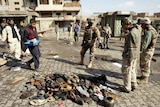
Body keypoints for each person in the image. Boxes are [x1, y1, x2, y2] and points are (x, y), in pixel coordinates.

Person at [121, 18, 141, 93]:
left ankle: (127, 87)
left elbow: (131, 48)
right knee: (132, 71)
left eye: (123, 25)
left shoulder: (131, 33)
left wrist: (129, 60)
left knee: (126, 71)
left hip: (129, 56)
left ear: (127, 24)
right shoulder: (136, 31)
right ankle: (133, 84)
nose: (122, 27)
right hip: (135, 55)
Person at [138, 17, 158, 84]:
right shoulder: (151, 29)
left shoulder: (148, 32)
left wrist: (140, 50)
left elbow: (145, 43)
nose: (141, 26)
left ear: (145, 24)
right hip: (149, 49)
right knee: (145, 63)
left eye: (142, 24)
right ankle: (143, 76)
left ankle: (144, 78)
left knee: (145, 64)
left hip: (147, 50)